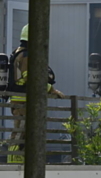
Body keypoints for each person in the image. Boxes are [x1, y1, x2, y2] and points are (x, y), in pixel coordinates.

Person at [6, 25, 65, 164]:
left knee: (24, 132)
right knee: (20, 132)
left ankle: (20, 160)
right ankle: (14, 162)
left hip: (22, 100)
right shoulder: (26, 55)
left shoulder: (19, 52)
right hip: (22, 101)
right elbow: (32, 78)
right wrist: (51, 89)